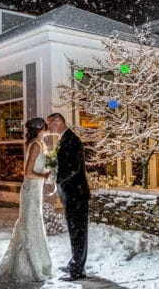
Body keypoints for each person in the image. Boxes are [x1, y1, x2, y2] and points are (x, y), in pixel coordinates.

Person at [0, 118, 52, 282]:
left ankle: (37, 261)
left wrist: (49, 172)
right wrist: (44, 175)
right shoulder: (35, 146)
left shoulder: (39, 144)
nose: (48, 128)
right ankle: (28, 266)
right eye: (45, 126)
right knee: (29, 226)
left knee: (34, 224)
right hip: (30, 190)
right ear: (40, 129)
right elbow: (28, 172)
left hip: (36, 191)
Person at [46, 112, 90, 282]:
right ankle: (75, 261)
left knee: (78, 231)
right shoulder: (65, 139)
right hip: (71, 193)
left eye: (50, 123)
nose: (48, 127)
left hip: (76, 194)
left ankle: (78, 269)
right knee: (74, 230)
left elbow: (73, 168)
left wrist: (55, 177)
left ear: (58, 121)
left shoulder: (71, 140)